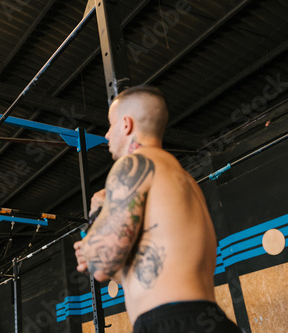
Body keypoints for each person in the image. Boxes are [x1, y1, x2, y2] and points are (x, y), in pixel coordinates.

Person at [74, 86, 241, 332]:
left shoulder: (134, 164)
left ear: (126, 124)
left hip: (169, 322)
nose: (107, 135)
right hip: (205, 319)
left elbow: (101, 265)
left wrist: (94, 224)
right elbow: (129, 276)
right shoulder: (184, 180)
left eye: (110, 125)